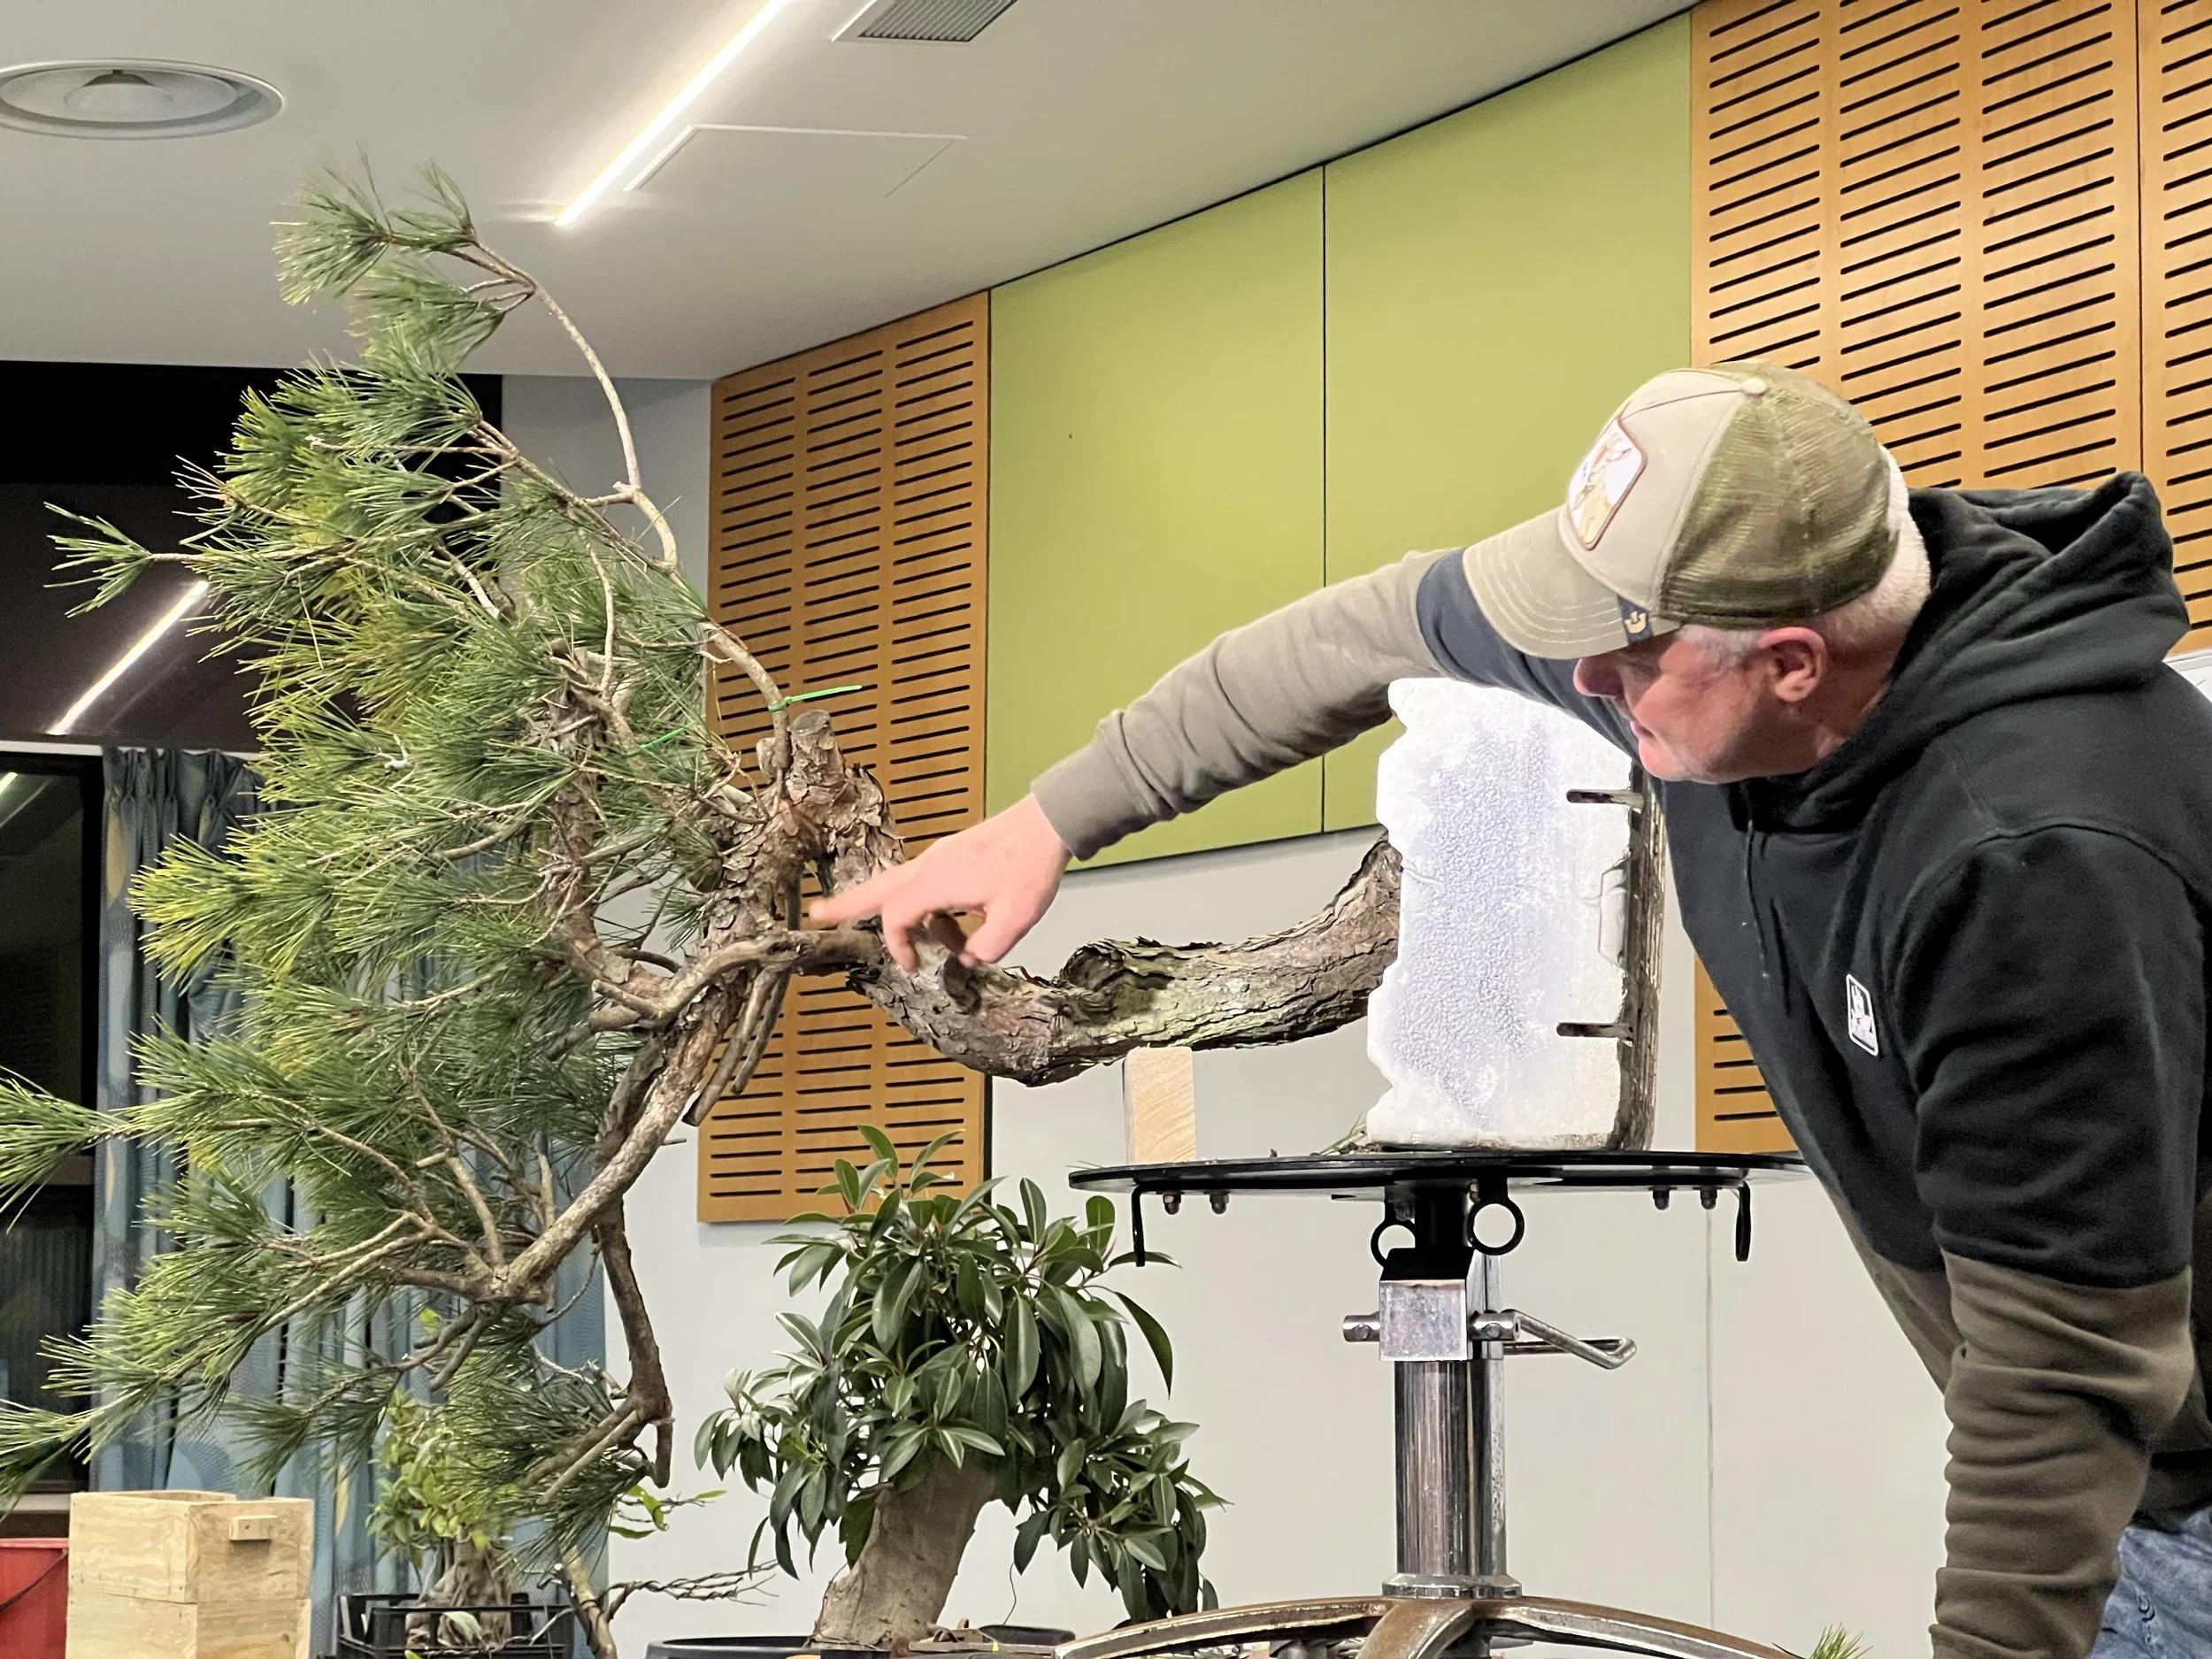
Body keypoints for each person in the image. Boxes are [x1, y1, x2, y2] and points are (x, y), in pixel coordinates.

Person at [813, 363, 2212, 1659]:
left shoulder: (2033, 855)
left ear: (1792, 660)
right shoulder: (1703, 661)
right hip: (2143, 1483)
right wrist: (1052, 819)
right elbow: (1352, 636)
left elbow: (2058, 1370)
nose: (1579, 681)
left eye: (1621, 656)